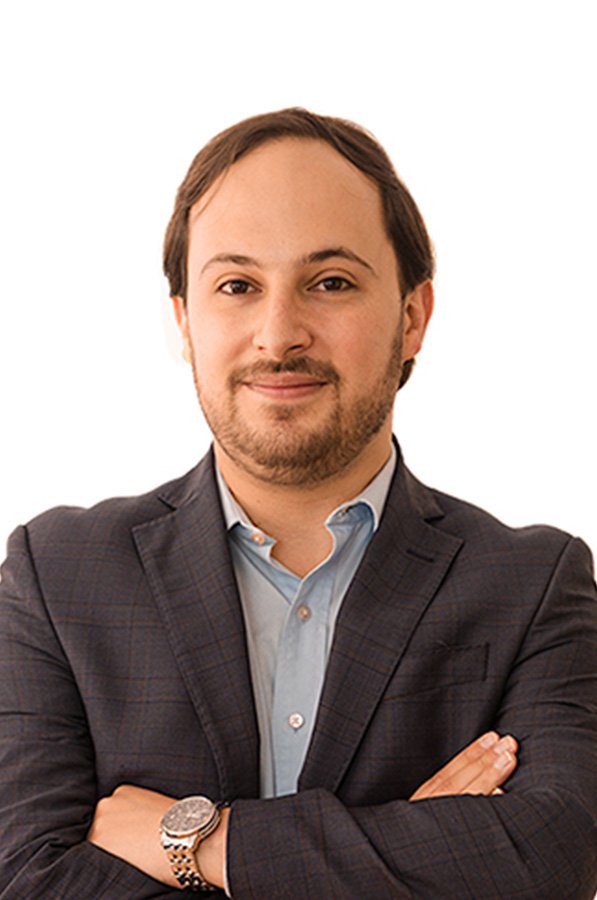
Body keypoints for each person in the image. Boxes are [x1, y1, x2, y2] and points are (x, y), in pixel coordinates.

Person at [0, 108, 595, 899]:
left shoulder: (533, 584)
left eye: (331, 283)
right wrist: (412, 853)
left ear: (411, 317)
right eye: (237, 286)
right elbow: (25, 878)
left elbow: (556, 855)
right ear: (184, 320)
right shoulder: (57, 575)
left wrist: (199, 841)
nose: (278, 335)